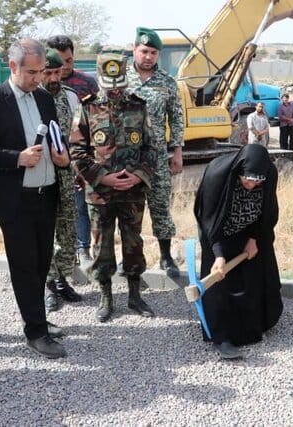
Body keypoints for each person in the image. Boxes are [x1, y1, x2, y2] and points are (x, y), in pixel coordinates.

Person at [0, 39, 70, 359]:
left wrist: (62, 155)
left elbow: (56, 137)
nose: (39, 79)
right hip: (16, 200)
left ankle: (37, 316)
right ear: (12, 66)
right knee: (24, 266)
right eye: (32, 73)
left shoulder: (44, 98)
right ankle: (36, 333)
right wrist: (17, 158)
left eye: (42, 71)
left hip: (47, 194)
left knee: (41, 262)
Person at [69, 53, 157, 322]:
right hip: (100, 194)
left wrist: (139, 176)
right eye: (110, 86)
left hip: (132, 193)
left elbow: (151, 148)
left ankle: (134, 295)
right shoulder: (87, 108)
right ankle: (105, 297)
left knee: (134, 245)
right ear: (100, 81)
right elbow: (76, 151)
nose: (116, 91)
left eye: (120, 85)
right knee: (101, 248)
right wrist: (103, 178)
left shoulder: (139, 107)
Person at [194, 144, 282, 359]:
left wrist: (253, 239)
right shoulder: (218, 176)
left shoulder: (268, 174)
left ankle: (252, 325)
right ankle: (221, 336)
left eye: (257, 182)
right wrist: (218, 254)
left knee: (253, 277)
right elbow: (208, 220)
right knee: (219, 283)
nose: (251, 186)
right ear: (239, 171)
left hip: (249, 232)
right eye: (247, 180)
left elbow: (267, 211)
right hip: (217, 233)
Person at [126, 27, 183, 278]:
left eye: (153, 52)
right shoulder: (120, 79)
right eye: (144, 51)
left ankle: (166, 256)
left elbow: (177, 119)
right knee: (129, 209)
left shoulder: (167, 82)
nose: (148, 57)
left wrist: (177, 151)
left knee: (160, 206)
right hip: (128, 157)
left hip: (157, 157)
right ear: (134, 50)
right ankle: (130, 257)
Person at [47, 35, 99, 265]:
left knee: (80, 205)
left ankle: (82, 249)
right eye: (59, 62)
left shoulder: (86, 84)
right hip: (47, 161)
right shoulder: (40, 88)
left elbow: (97, 121)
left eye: (68, 61)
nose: (65, 67)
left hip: (77, 159)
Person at [40, 48, 82, 312]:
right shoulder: (32, 99)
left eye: (57, 72)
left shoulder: (71, 97)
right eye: (48, 73)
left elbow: (78, 137)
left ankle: (62, 278)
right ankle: (48, 285)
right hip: (41, 175)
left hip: (66, 174)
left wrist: (77, 167)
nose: (54, 78)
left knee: (67, 230)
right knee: (45, 230)